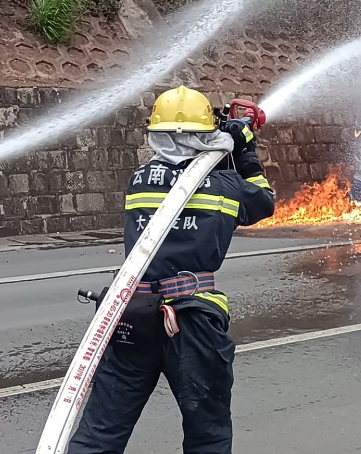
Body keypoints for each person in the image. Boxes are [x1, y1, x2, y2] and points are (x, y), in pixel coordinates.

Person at [69, 86, 275, 453]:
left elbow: (178, 178)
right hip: (192, 323)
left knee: (100, 434)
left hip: (132, 315)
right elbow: (263, 203)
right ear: (205, 133)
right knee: (207, 434)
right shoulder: (228, 186)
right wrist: (243, 149)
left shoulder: (138, 180)